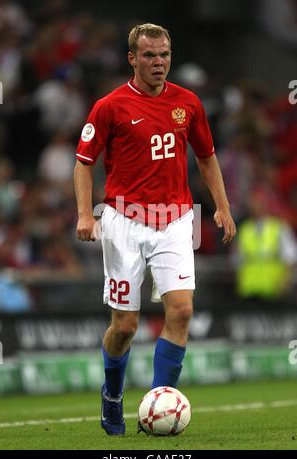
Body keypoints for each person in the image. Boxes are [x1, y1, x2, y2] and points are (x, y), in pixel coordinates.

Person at [74, 23, 236, 436]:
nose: (159, 62)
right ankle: (112, 396)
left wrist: (221, 205)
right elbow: (83, 162)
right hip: (123, 222)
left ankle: (159, 403)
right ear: (132, 58)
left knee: (181, 311)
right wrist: (85, 215)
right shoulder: (109, 107)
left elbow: (206, 156)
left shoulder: (188, 103)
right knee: (125, 327)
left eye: (164, 54)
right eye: (149, 55)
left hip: (176, 221)